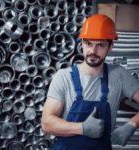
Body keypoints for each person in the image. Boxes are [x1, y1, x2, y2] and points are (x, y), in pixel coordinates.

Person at [41, 14, 139, 150]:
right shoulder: (63, 77)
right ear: (82, 43)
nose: (93, 51)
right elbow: (47, 123)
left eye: (100, 45)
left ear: (110, 47)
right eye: (88, 43)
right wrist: (82, 128)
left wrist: (132, 124)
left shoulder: (119, 75)